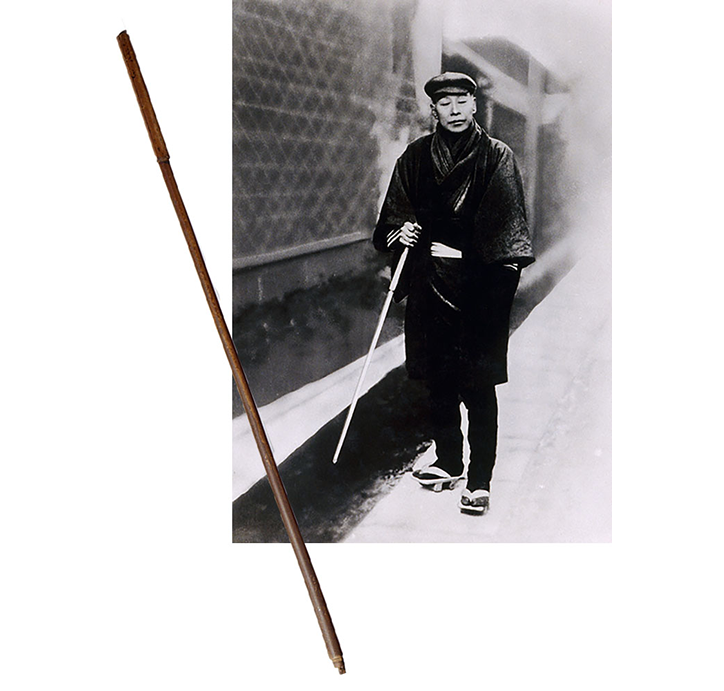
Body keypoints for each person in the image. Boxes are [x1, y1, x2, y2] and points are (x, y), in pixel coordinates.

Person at [372, 72, 535, 515]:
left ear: (475, 105)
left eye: (463, 100)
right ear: (434, 110)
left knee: (478, 386)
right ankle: (448, 461)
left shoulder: (496, 156)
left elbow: (507, 227)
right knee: (438, 381)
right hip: (429, 284)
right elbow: (392, 219)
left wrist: (467, 254)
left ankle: (479, 480)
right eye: (446, 103)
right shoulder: (416, 157)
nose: (456, 109)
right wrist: (403, 231)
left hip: (479, 288)